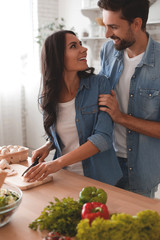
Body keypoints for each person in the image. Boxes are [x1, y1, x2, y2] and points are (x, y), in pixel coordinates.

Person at [24, 30, 122, 185]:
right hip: (65, 179)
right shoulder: (49, 96)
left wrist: (57, 163)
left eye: (81, 44)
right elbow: (67, 133)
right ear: (58, 57)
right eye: (73, 46)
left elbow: (103, 138)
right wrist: (48, 145)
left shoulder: (99, 84)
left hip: (100, 181)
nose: (84, 49)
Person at [97, 0, 160, 198]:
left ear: (136, 24)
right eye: (105, 26)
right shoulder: (108, 51)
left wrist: (121, 117)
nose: (107, 34)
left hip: (142, 169)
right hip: (105, 160)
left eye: (113, 27)